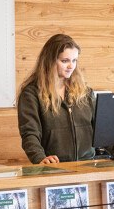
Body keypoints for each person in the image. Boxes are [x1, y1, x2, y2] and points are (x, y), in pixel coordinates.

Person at [17, 34, 96, 163]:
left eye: (74, 60)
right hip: (54, 167)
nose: (71, 66)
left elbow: (102, 128)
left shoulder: (85, 92)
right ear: (50, 61)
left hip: (87, 165)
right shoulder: (31, 94)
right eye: (65, 61)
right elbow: (29, 133)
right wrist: (40, 158)